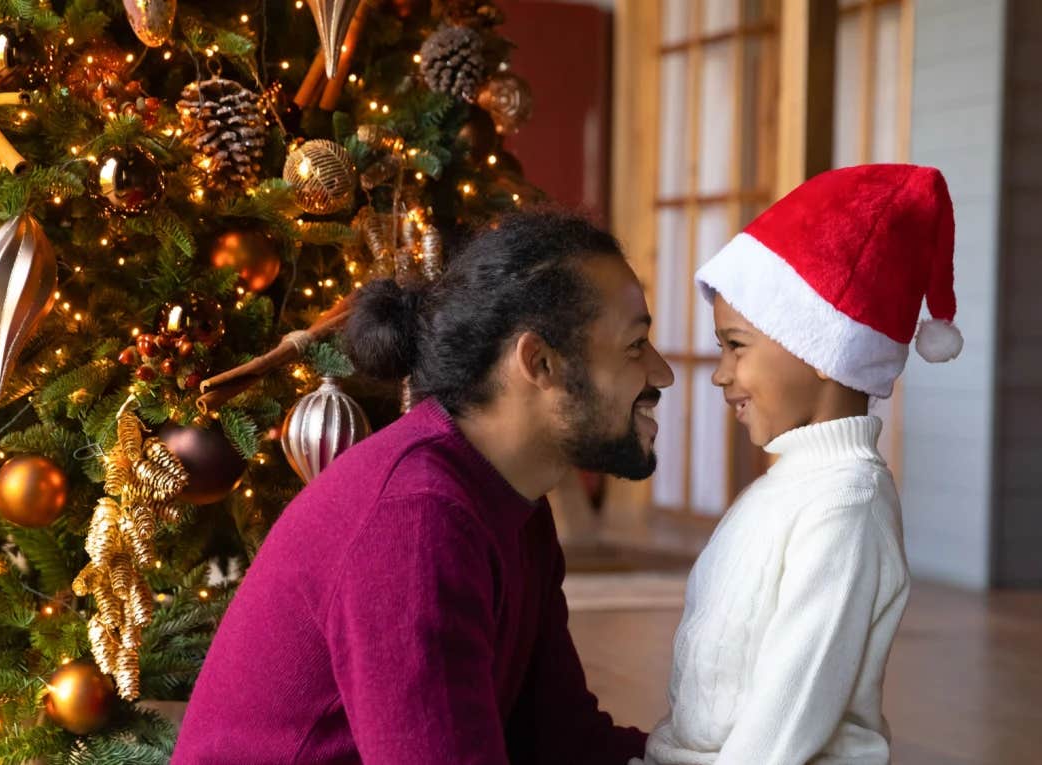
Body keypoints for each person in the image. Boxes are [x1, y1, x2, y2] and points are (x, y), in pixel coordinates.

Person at [173, 211, 675, 764]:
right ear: (540, 362)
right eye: (634, 345)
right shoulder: (414, 520)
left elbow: (562, 741)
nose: (661, 372)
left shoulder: (518, 506)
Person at [637, 164, 961, 765]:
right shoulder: (790, 484)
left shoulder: (844, 506)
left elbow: (785, 722)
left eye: (736, 345)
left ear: (818, 347)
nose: (721, 372)